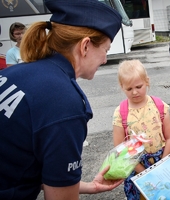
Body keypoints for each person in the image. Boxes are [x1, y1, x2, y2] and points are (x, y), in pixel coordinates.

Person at [0, 0, 124, 199]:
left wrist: (89, 186)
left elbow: (20, 162)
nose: (104, 60)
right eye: (105, 50)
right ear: (85, 46)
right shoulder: (64, 103)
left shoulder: (16, 72)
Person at [112, 59, 170, 199]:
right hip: (136, 166)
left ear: (147, 81)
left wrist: (162, 164)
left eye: (139, 86)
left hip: (162, 162)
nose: (135, 92)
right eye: (129, 89)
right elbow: (120, 147)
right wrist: (141, 170)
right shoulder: (120, 112)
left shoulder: (159, 106)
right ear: (121, 86)